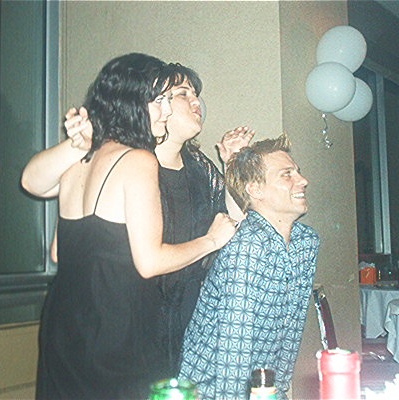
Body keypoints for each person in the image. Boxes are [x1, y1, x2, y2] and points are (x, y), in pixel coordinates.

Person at [22, 61, 254, 376]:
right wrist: (79, 144)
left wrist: (233, 166)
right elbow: (33, 183)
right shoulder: (131, 159)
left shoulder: (198, 167)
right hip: (128, 320)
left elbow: (232, 226)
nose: (193, 102)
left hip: (151, 317)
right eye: (178, 94)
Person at [178, 133, 320, 400]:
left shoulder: (306, 242)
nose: (303, 181)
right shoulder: (248, 247)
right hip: (211, 389)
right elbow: (234, 345)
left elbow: (292, 327)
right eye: (286, 175)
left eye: (297, 172)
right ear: (255, 190)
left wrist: (279, 390)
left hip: (262, 387)